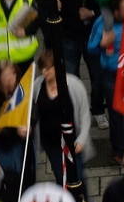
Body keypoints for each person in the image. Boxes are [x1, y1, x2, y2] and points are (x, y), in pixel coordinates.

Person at [88, 0, 124, 162]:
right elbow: (90, 48)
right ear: (115, 12)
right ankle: (120, 150)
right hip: (114, 77)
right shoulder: (103, 23)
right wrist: (102, 44)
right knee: (116, 114)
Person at [57, 0, 105, 128]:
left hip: (92, 37)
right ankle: (77, 111)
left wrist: (92, 12)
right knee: (72, 80)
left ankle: (98, 110)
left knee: (97, 77)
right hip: (70, 37)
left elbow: (107, 7)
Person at [34, 50, 94, 187]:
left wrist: (82, 139)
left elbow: (84, 114)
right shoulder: (38, 85)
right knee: (61, 177)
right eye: (42, 68)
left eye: (48, 68)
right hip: (51, 142)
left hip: (72, 143)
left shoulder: (74, 85)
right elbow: (33, 110)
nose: (44, 71)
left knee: (77, 176)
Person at [0, 60, 35, 186]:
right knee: (11, 179)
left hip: (24, 143)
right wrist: (16, 129)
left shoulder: (21, 90)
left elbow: (33, 110)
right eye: (6, 76)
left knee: (29, 173)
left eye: (13, 74)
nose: (11, 79)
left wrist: (30, 123)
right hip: (6, 147)